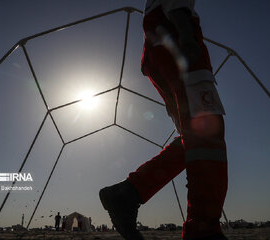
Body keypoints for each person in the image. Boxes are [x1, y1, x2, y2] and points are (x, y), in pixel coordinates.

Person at [100, 1, 228, 239]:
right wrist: (187, 36)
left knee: (194, 139)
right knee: (207, 135)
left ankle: (128, 193)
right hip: (176, 42)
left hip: (160, 47)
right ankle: (203, 228)